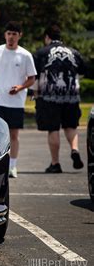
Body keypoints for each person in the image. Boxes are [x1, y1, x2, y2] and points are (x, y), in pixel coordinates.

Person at [0, 21, 37, 178]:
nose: (11, 37)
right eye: (9, 33)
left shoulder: (25, 55)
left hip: (16, 103)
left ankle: (12, 166)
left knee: (13, 135)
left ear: (20, 36)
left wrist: (20, 87)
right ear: (5, 35)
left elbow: (32, 78)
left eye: (14, 34)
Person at [33, 24, 85, 173]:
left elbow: (35, 75)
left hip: (50, 97)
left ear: (47, 37)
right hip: (71, 96)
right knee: (71, 126)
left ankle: (55, 163)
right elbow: (82, 71)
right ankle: (74, 149)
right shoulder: (74, 52)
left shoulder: (41, 53)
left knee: (53, 128)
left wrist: (35, 94)